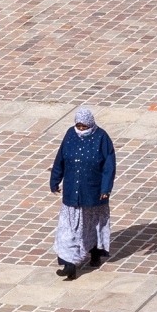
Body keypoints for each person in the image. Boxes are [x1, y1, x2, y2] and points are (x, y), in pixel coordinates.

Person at [49, 107, 116, 281]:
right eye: (78, 126)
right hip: (72, 193)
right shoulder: (70, 135)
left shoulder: (102, 138)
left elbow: (109, 167)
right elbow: (60, 159)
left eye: (84, 126)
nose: (81, 129)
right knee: (68, 230)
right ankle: (69, 265)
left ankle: (94, 252)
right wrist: (55, 180)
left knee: (90, 226)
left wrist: (105, 189)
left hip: (92, 193)